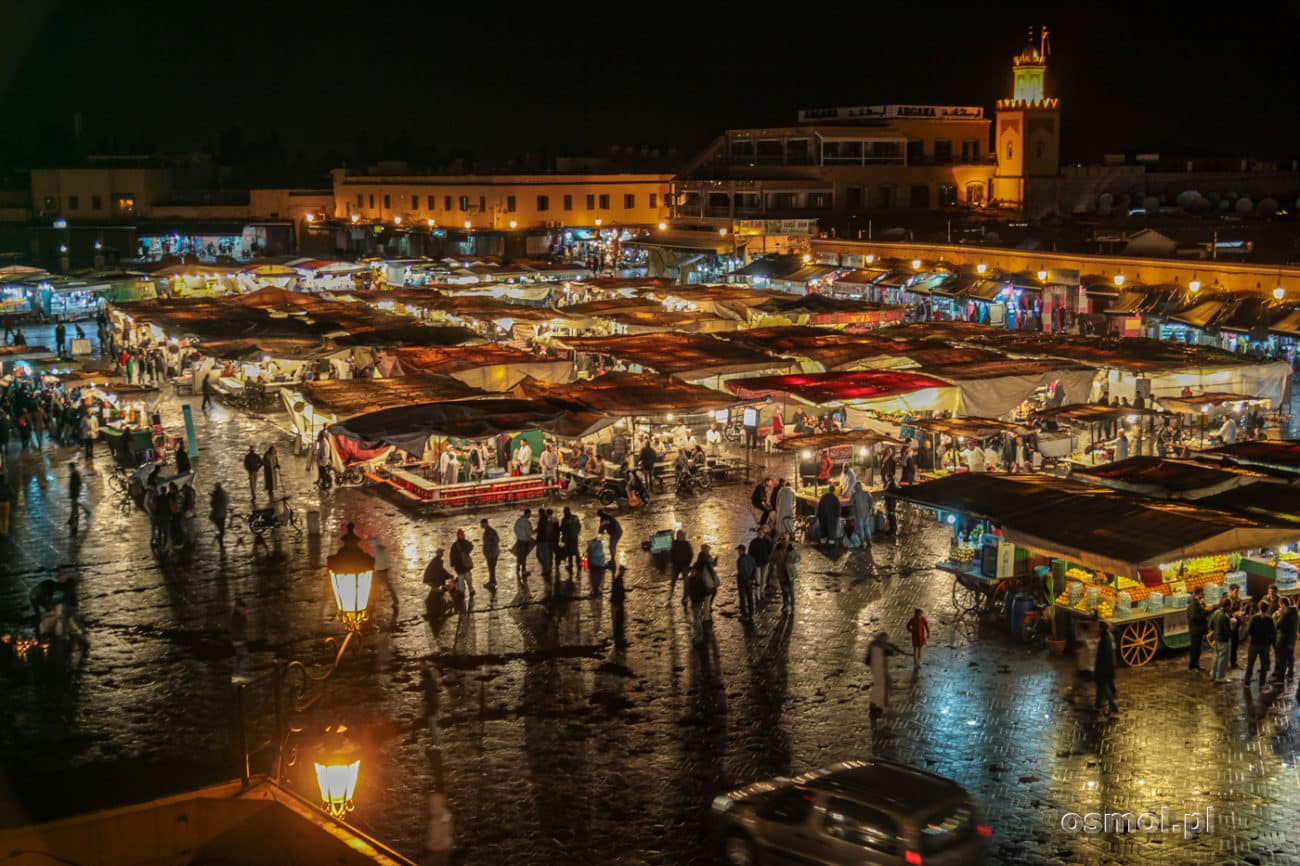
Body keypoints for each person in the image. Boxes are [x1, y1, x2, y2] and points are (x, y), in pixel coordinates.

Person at [865, 631, 902, 718]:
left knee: (880, 687)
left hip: (875, 669)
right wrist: (895, 651)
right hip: (880, 670)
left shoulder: (873, 644)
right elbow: (891, 651)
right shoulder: (882, 646)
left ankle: (875, 706)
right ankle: (881, 707)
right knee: (882, 688)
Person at [1246, 602, 1276, 689]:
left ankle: (1247, 681)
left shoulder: (1254, 618)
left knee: (1250, 664)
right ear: (1267, 609)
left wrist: (1254, 637)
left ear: (1259, 608)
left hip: (1254, 644)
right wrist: (1269, 642)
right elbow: (1273, 632)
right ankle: (1262, 683)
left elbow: (1249, 630)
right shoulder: (1270, 619)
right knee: (1264, 665)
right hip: (1265, 645)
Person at [420, 791, 454, 866]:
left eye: (433, 806)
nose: (431, 809)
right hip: (437, 849)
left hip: (440, 850)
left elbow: (439, 834)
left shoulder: (444, 818)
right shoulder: (440, 817)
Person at [1094, 620, 1119, 714]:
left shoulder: (1105, 640)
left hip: (1104, 669)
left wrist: (1101, 668)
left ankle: (1113, 706)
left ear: (1101, 629)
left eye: (1098, 627)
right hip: (1106, 668)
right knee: (1100, 687)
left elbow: (1105, 656)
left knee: (1104, 687)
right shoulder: (1106, 637)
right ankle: (1097, 704)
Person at [1271, 597, 1298, 684]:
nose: (1280, 607)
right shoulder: (1295, 612)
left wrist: (1276, 617)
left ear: (1282, 604)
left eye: (1280, 605)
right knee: (1290, 656)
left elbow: (1278, 625)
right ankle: (1290, 674)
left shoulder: (1285, 613)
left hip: (1283, 639)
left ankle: (1280, 679)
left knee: (1282, 659)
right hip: (1292, 639)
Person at [771, 533, 799, 614]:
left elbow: (798, 557)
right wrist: (776, 563)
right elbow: (771, 559)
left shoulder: (791, 548)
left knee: (790, 591)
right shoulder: (777, 548)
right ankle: (785, 605)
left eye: (785, 539)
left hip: (790, 573)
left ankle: (792, 605)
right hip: (781, 572)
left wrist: (792, 560)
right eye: (782, 539)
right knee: (784, 591)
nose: (784, 541)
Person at [1210, 598, 1235, 683]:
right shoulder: (1225, 616)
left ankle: (1213, 674)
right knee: (1222, 659)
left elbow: (1211, 625)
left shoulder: (1215, 612)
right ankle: (1220, 677)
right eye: (1230, 606)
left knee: (1216, 657)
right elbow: (1228, 631)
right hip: (1224, 640)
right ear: (1227, 606)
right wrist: (1232, 623)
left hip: (1216, 638)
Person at [694, 544, 719, 624]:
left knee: (708, 596)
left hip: (704, 583)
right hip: (706, 583)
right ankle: (706, 618)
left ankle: (705, 612)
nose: (708, 551)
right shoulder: (705, 560)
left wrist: (716, 560)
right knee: (707, 597)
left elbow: (713, 565)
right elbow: (709, 570)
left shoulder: (705, 558)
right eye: (707, 549)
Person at [668, 530, 693, 606]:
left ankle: (685, 597)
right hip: (676, 566)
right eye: (680, 536)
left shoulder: (687, 544)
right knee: (673, 581)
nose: (681, 537)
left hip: (685, 566)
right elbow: (671, 554)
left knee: (686, 582)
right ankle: (670, 594)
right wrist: (673, 563)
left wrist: (687, 563)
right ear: (677, 536)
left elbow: (690, 554)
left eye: (682, 536)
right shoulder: (674, 544)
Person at [748, 525, 774, 599]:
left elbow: (770, 550)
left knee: (763, 578)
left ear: (763, 533)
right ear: (757, 533)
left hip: (765, 563)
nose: (760, 534)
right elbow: (750, 553)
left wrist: (768, 558)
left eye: (761, 533)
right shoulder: (753, 542)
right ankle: (757, 594)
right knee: (758, 579)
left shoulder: (767, 541)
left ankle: (762, 591)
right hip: (757, 564)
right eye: (759, 533)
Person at [449, 528, 475, 598]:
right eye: (460, 534)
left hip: (461, 567)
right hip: (462, 567)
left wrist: (452, 564)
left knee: (465, 580)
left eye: (462, 534)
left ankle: (466, 592)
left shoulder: (455, 545)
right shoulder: (460, 544)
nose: (461, 536)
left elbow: (451, 555)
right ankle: (467, 591)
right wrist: (452, 564)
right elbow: (471, 547)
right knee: (465, 580)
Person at [1187, 586, 1208, 671]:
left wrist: (1203, 607)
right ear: (1199, 593)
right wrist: (1205, 611)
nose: (1204, 594)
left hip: (1198, 629)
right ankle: (1193, 665)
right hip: (1195, 629)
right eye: (1202, 592)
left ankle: (1195, 664)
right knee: (1195, 648)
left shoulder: (1199, 602)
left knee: (1197, 648)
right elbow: (1195, 617)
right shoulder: (1194, 603)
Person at [736, 544, 757, 623]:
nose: (738, 552)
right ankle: (751, 613)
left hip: (742, 581)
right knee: (750, 597)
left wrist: (745, 579)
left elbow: (741, 571)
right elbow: (755, 568)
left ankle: (744, 615)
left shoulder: (740, 560)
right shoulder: (751, 558)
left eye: (739, 550)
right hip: (750, 581)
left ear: (742, 551)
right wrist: (752, 578)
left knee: (742, 598)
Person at [850, 482, 875, 550]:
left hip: (859, 514)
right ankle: (869, 542)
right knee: (867, 527)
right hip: (866, 513)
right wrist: (870, 508)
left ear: (855, 488)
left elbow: (851, 503)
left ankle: (861, 543)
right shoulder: (866, 493)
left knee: (861, 529)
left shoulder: (854, 495)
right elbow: (871, 502)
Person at [231, 598, 250, 683]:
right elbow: (240, 629)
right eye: (244, 609)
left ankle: (236, 677)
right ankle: (239, 677)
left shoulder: (238, 617)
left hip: (238, 641)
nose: (245, 610)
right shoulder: (237, 617)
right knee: (243, 658)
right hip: (239, 641)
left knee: (239, 659)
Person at [560, 507, 581, 577]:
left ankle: (571, 565)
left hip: (568, 538)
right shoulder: (575, 517)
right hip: (574, 537)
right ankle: (579, 564)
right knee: (576, 551)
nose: (564, 513)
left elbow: (562, 529)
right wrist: (576, 533)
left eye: (564, 512)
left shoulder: (564, 520)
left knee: (569, 552)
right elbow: (579, 526)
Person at [513, 508, 533, 580]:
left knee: (519, 554)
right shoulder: (527, 522)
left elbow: (514, 529)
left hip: (519, 540)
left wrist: (519, 535)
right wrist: (529, 537)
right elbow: (529, 532)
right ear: (527, 514)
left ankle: (518, 567)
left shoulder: (518, 521)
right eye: (530, 514)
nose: (530, 515)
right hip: (525, 541)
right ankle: (523, 570)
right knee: (524, 556)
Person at [479, 519, 499, 591]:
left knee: (491, 568)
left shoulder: (489, 532)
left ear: (486, 523)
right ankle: (491, 581)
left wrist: (488, 545)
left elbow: (495, 541)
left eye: (482, 524)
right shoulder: (490, 531)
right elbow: (497, 540)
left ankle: (493, 583)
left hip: (491, 553)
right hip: (492, 553)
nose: (481, 525)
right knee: (491, 568)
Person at [67, 461, 85, 530]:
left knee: (74, 507)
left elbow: (74, 485)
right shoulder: (75, 473)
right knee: (74, 506)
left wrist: (73, 492)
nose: (68, 468)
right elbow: (79, 483)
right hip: (75, 493)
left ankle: (74, 523)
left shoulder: (74, 474)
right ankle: (71, 519)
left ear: (71, 467)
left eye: (69, 467)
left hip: (74, 493)